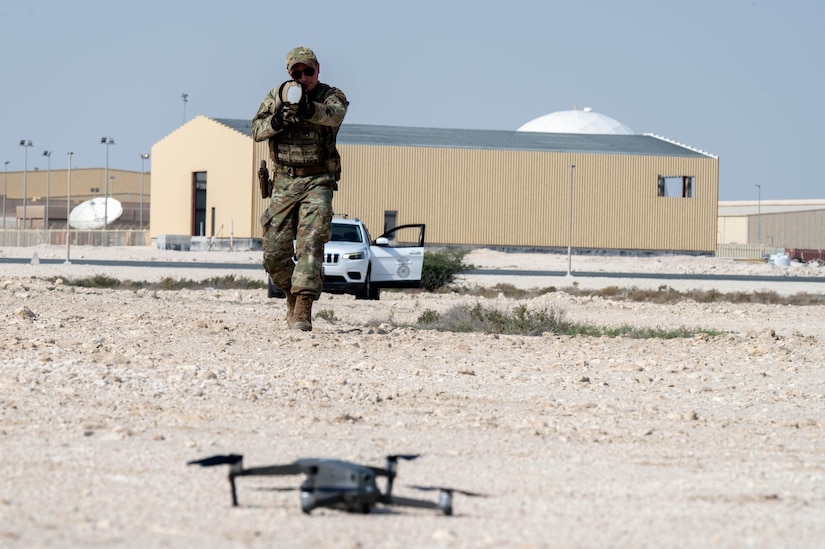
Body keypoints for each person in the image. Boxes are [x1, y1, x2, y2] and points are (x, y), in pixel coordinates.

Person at [252, 46, 348, 331]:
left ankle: (304, 308)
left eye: (309, 71)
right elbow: (256, 130)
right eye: (298, 72)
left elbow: (334, 115)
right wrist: (278, 120)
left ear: (318, 69)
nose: (304, 77)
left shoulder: (331, 95)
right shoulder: (276, 96)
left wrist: (308, 109)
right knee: (273, 255)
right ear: (289, 73)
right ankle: (290, 295)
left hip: (317, 180)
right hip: (283, 182)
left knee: (311, 241)